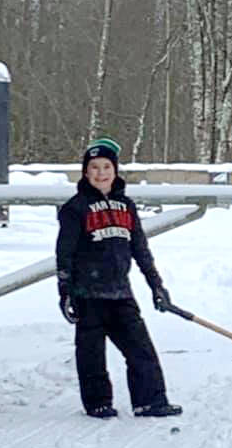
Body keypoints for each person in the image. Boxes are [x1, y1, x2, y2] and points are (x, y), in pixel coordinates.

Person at [55, 137, 183, 419]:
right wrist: (65, 291)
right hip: (87, 294)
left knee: (141, 350)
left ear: (115, 171)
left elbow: (140, 249)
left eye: (106, 167)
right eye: (94, 168)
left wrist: (156, 286)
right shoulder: (75, 209)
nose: (101, 173)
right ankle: (98, 403)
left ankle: (150, 401)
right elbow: (64, 254)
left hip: (120, 293)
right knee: (91, 355)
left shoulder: (126, 206)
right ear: (86, 172)